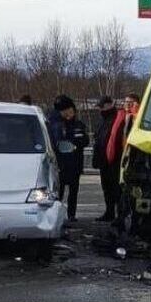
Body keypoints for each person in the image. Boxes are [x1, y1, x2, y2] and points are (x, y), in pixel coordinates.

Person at [47, 95, 89, 223]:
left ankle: (71, 214)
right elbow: (54, 142)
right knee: (58, 192)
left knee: (73, 192)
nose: (68, 113)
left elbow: (85, 140)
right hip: (60, 164)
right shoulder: (55, 124)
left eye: (70, 111)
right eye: (65, 111)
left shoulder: (78, 124)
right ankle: (55, 214)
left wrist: (75, 143)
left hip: (75, 163)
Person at [92, 96, 120, 222]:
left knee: (115, 188)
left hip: (114, 160)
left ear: (109, 105)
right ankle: (109, 212)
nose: (100, 110)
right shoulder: (103, 120)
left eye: (102, 107)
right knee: (107, 188)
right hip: (104, 161)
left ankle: (119, 213)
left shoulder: (117, 119)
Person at [106, 93, 141, 169]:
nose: (128, 104)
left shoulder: (138, 117)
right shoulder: (120, 115)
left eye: (131, 102)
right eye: (126, 102)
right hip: (118, 153)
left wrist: (135, 111)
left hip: (132, 154)